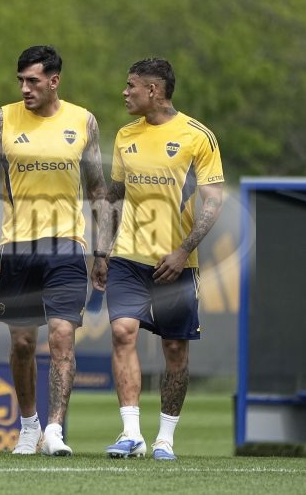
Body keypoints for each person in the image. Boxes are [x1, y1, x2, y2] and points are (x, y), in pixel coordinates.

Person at [92, 58, 224, 461]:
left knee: (175, 349)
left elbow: (213, 201)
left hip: (177, 264)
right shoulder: (125, 135)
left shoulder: (197, 136)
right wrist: (102, 249)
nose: (124, 92)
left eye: (131, 85)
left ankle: (165, 438)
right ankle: (131, 434)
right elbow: (114, 196)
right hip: (128, 258)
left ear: (153, 90)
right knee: (122, 332)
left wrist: (184, 250)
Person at [0, 45, 107, 456]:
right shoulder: (1, 120)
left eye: (32, 81)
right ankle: (29, 426)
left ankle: (54, 429)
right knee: (22, 344)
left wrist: (102, 250)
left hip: (67, 246)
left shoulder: (83, 121)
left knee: (62, 337)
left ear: (54, 81)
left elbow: (98, 190)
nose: (24, 88)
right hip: (17, 247)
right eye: (20, 80)